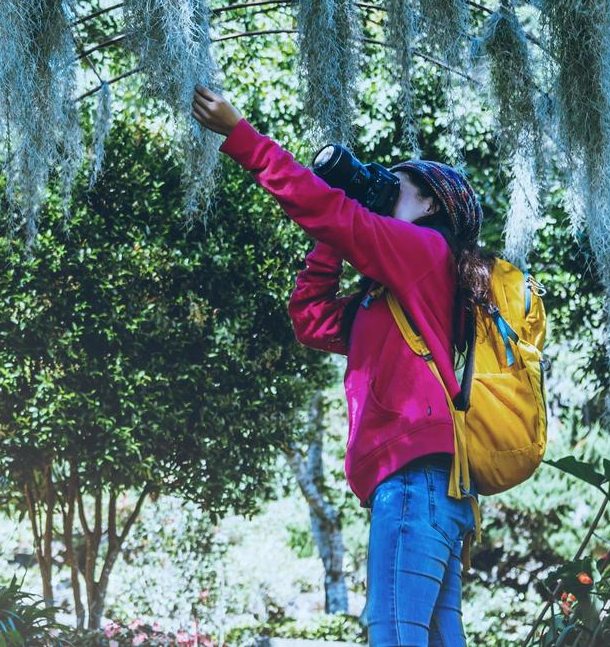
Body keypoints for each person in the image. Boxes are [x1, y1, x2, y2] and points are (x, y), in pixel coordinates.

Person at [191, 85, 493, 647]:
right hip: (426, 487)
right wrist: (338, 234)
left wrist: (245, 138)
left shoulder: (427, 254)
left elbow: (338, 218)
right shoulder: (390, 295)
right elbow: (311, 317)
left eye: (394, 188)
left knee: (393, 635)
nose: (382, 195)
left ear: (429, 206)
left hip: (416, 482)